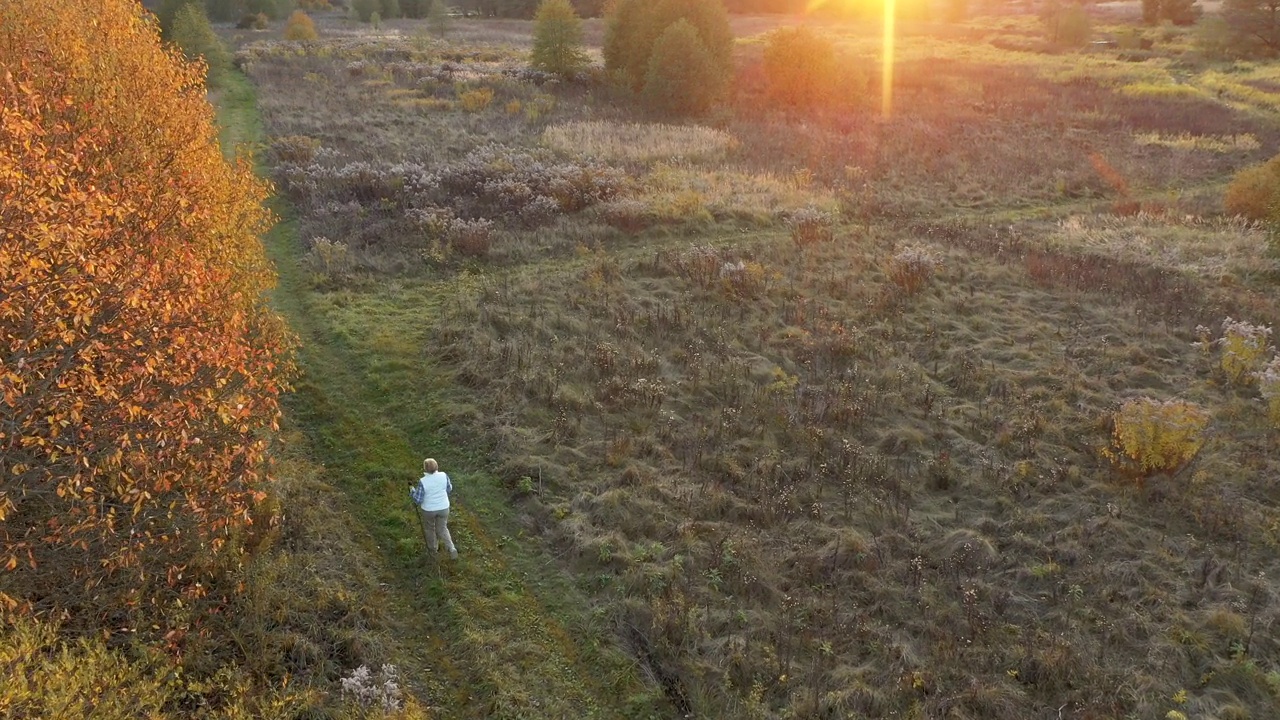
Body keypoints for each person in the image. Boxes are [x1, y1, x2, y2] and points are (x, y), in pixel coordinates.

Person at [415, 458, 457, 559]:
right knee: (442, 528)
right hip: (443, 508)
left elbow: (418, 499)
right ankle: (451, 548)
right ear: (437, 466)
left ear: (425, 469)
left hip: (429, 510)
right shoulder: (444, 475)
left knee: (430, 529)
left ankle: (433, 551)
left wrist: (412, 491)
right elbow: (449, 489)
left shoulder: (423, 481)